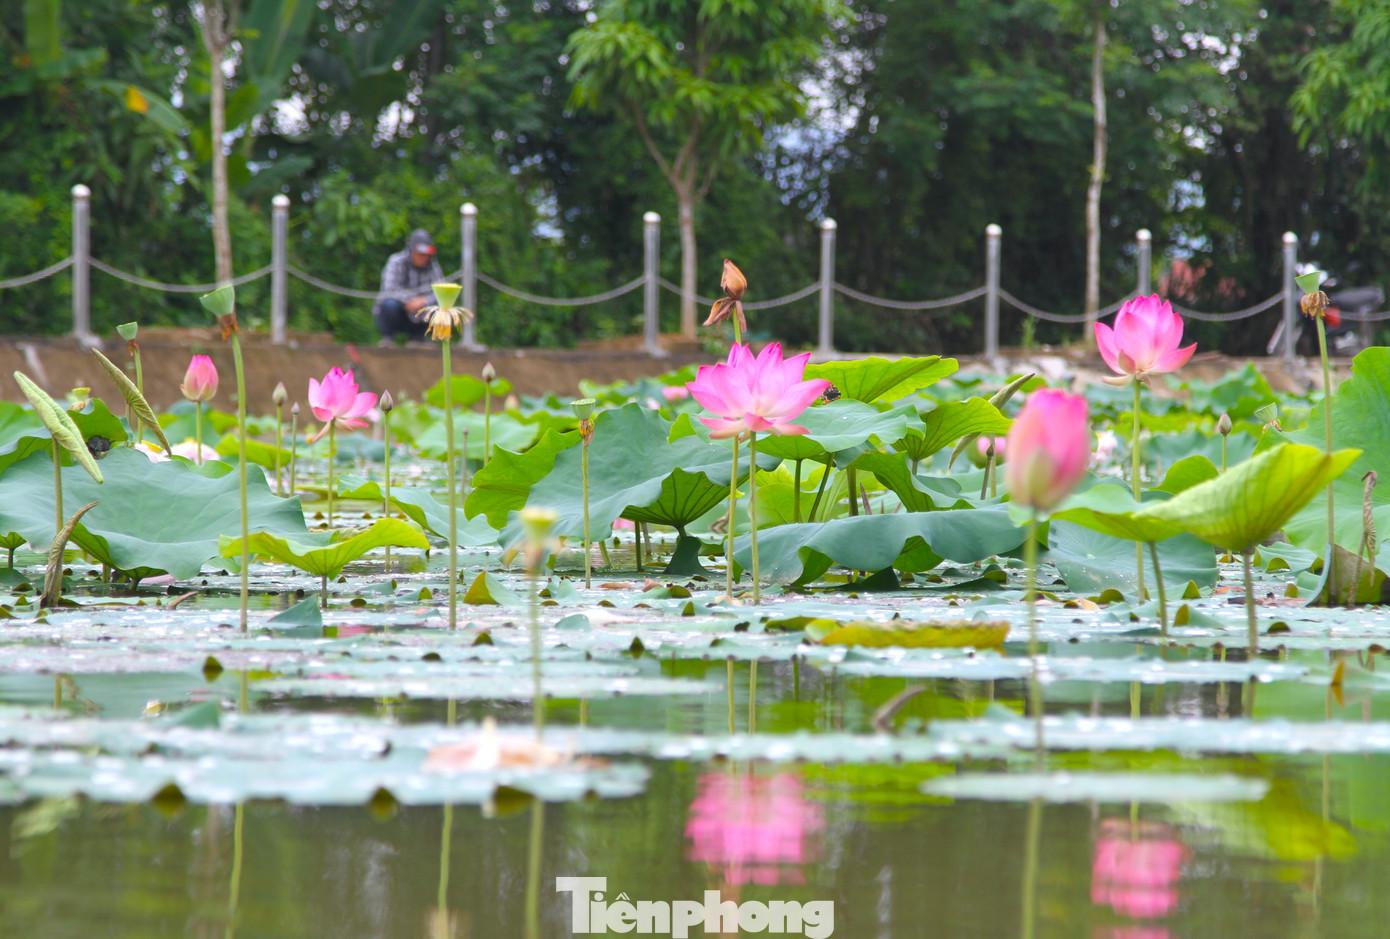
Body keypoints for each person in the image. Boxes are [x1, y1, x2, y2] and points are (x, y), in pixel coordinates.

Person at [373, 229, 445, 344]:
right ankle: (388, 339)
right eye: (421, 254)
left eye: (427, 255)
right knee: (389, 305)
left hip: (421, 314)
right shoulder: (396, 261)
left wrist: (424, 301)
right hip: (401, 311)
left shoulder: (433, 265)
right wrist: (410, 300)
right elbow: (389, 289)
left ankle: (419, 338)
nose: (425, 258)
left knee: (441, 307)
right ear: (411, 251)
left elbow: (442, 291)